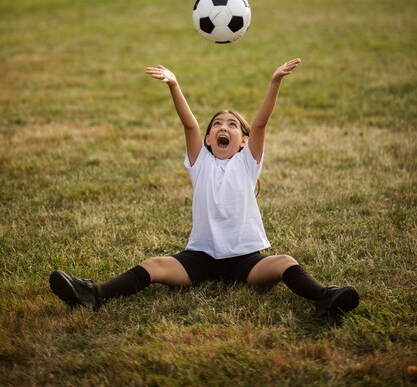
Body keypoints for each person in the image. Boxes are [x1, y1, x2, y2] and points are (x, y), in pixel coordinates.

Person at [50, 59, 359, 320]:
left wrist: (275, 83)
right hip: (200, 258)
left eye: (233, 125)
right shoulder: (200, 163)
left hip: (245, 259)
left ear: (242, 141)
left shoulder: (247, 163)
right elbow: (189, 125)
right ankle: (94, 294)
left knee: (285, 262)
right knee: (154, 265)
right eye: (217, 125)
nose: (223, 128)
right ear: (209, 139)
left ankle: (325, 297)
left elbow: (261, 123)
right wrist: (174, 85)